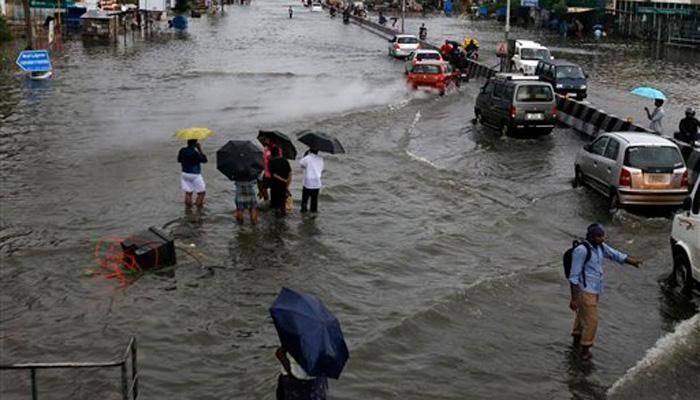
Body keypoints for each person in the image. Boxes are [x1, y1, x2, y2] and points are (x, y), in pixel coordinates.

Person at [568, 224, 642, 360]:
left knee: (582, 317)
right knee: (592, 321)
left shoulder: (600, 246)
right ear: (591, 237)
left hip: (595, 289)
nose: (603, 238)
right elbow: (573, 277)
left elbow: (615, 255)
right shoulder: (581, 251)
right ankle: (585, 351)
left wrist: (632, 262)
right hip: (585, 291)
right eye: (599, 236)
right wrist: (573, 299)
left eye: (603, 236)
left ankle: (576, 341)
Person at [177, 139, 208, 208]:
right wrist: (200, 149)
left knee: (188, 193)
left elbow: (179, 160)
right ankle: (199, 209)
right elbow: (204, 160)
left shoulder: (182, 150)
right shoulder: (195, 153)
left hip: (185, 174)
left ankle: (188, 209)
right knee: (201, 192)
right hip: (195, 174)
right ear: (195, 144)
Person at [299, 149, 324, 214]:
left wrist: (305, 155)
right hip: (317, 183)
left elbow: (301, 164)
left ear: (310, 151)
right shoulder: (321, 159)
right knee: (314, 201)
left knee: (305, 200)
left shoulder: (307, 158)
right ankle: (313, 216)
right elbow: (321, 169)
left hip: (308, 183)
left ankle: (303, 215)